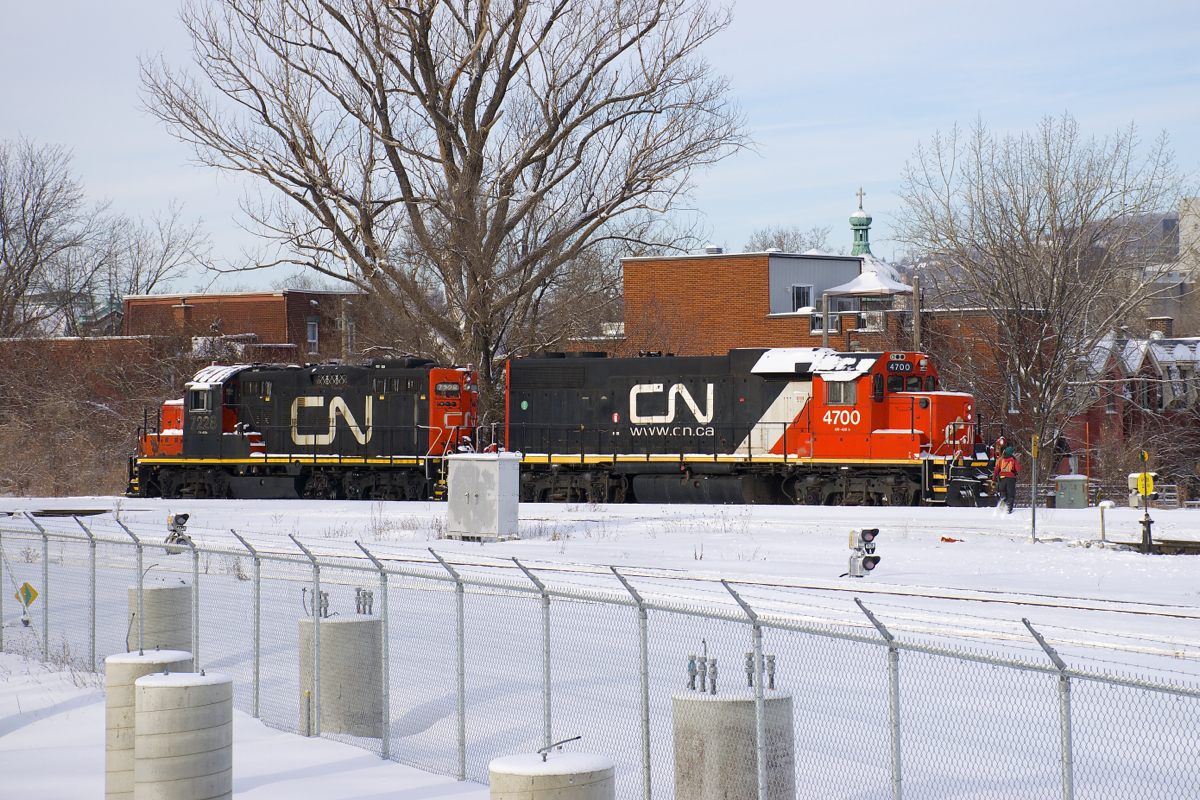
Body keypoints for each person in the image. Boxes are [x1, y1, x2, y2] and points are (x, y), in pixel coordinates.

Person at [993, 446, 1021, 514]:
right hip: (1011, 479)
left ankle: (1002, 505)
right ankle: (1008, 509)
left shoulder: (1001, 460)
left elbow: (996, 470)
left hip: (1002, 479)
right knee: (1010, 494)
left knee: (1003, 493)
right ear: (1012, 453)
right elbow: (1019, 470)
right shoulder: (1014, 460)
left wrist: (993, 479)